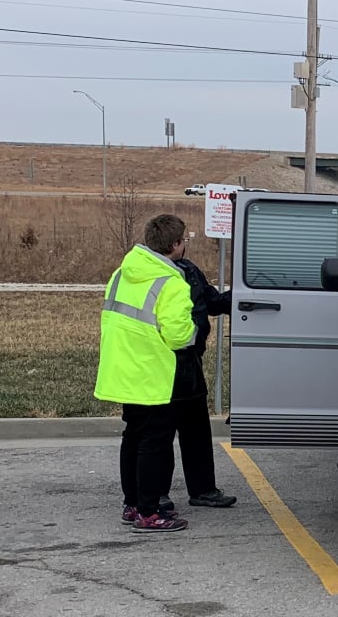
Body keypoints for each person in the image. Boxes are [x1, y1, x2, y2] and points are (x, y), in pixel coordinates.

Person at [96, 214, 197, 533]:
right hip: (152, 373)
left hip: (121, 369)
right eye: (184, 240)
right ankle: (149, 511)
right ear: (175, 245)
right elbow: (179, 335)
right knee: (155, 443)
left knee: (134, 436)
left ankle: (132, 503)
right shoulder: (172, 283)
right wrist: (194, 329)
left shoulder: (122, 272)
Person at [168, 250, 237, 510]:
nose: (185, 243)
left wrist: (246, 294)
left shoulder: (190, 269)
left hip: (190, 361)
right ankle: (157, 494)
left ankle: (203, 490)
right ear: (175, 243)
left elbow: (213, 303)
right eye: (183, 239)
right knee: (159, 434)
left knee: (196, 428)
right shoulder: (157, 274)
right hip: (160, 363)